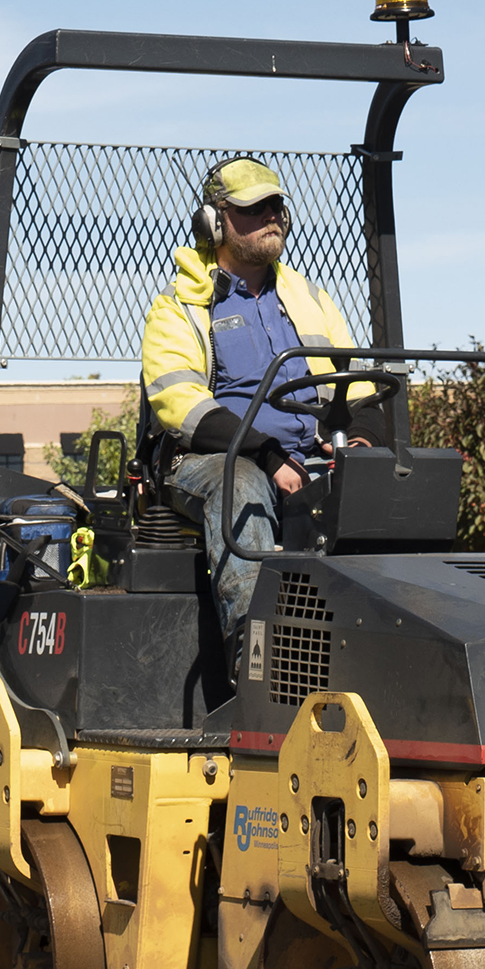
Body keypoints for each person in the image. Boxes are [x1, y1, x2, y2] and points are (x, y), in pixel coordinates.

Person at [140, 156, 389, 635]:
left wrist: (359, 444)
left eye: (276, 205)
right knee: (242, 484)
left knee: (388, 481)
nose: (270, 215)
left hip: (305, 455)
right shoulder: (180, 305)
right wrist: (268, 453)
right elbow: (181, 407)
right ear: (215, 222)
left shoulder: (311, 299)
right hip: (205, 459)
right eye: (254, 208)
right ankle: (255, 653)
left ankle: (379, 646)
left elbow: (355, 387)